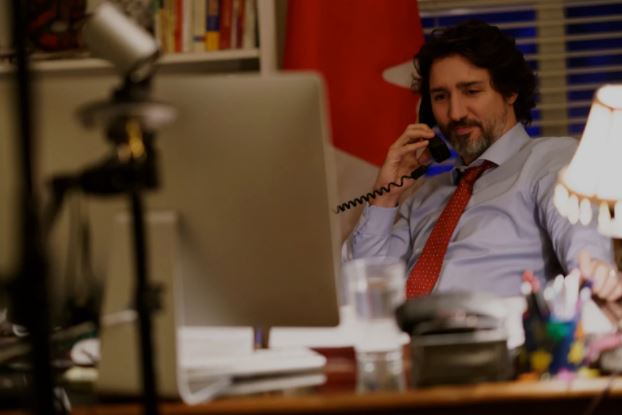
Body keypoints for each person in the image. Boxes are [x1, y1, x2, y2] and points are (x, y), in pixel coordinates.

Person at [344, 20, 622, 303]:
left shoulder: (551, 160)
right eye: (440, 97)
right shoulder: (423, 196)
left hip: (498, 326)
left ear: (510, 91)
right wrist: (386, 195)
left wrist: (594, 271)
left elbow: (579, 234)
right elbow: (364, 291)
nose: (455, 113)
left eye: (471, 91)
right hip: (406, 328)